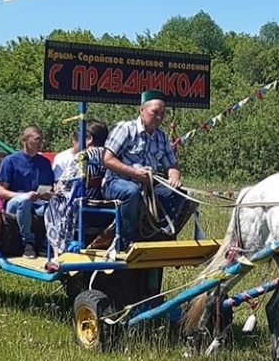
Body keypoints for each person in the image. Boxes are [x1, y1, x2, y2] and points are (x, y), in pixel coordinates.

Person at [102, 90, 186, 250]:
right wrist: (134, 173)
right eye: (155, 112)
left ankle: (161, 232)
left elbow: (172, 165)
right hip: (116, 182)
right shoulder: (125, 129)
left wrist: (174, 176)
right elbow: (107, 159)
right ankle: (128, 241)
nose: (159, 117)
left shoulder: (161, 136)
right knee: (131, 191)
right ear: (142, 110)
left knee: (179, 192)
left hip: (148, 186)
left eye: (163, 114)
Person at [45, 119, 109, 260]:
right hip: (105, 203)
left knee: (53, 205)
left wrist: (57, 190)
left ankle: (57, 250)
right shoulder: (111, 155)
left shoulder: (84, 156)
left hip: (84, 204)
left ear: (89, 139)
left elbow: (65, 184)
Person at [0, 126, 54, 259]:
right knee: (24, 201)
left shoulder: (45, 163)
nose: (40, 144)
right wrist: (23, 195)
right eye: (37, 140)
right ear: (25, 140)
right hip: (15, 204)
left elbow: (50, 189)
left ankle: (49, 242)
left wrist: (48, 195)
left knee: (57, 203)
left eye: (42, 140)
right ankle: (28, 243)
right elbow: (0, 191)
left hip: (38, 204)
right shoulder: (10, 161)